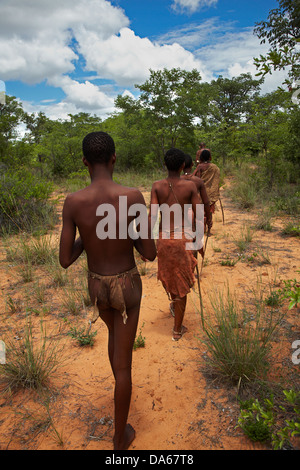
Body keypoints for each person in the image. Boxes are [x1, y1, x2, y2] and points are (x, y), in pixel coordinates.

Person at [59, 131, 156, 450]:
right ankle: (119, 437)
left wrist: (88, 237)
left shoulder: (74, 202)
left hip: (98, 287)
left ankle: (120, 402)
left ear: (85, 162)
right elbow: (149, 252)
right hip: (127, 285)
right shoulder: (132, 196)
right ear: (114, 158)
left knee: (115, 338)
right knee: (124, 363)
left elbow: (65, 259)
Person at [149, 148, 203, 342]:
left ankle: (174, 308)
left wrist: (146, 243)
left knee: (170, 277)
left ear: (165, 165)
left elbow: (153, 217)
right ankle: (177, 330)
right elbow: (198, 216)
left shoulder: (157, 186)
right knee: (180, 283)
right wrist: (199, 239)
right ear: (183, 166)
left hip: (164, 240)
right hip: (183, 240)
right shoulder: (189, 187)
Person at [193, 149, 220, 226]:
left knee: (200, 210)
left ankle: (202, 225)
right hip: (211, 192)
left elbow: (195, 178)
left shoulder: (200, 166)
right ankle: (209, 224)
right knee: (209, 210)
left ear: (200, 158)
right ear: (210, 158)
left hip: (201, 192)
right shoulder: (215, 167)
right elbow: (216, 180)